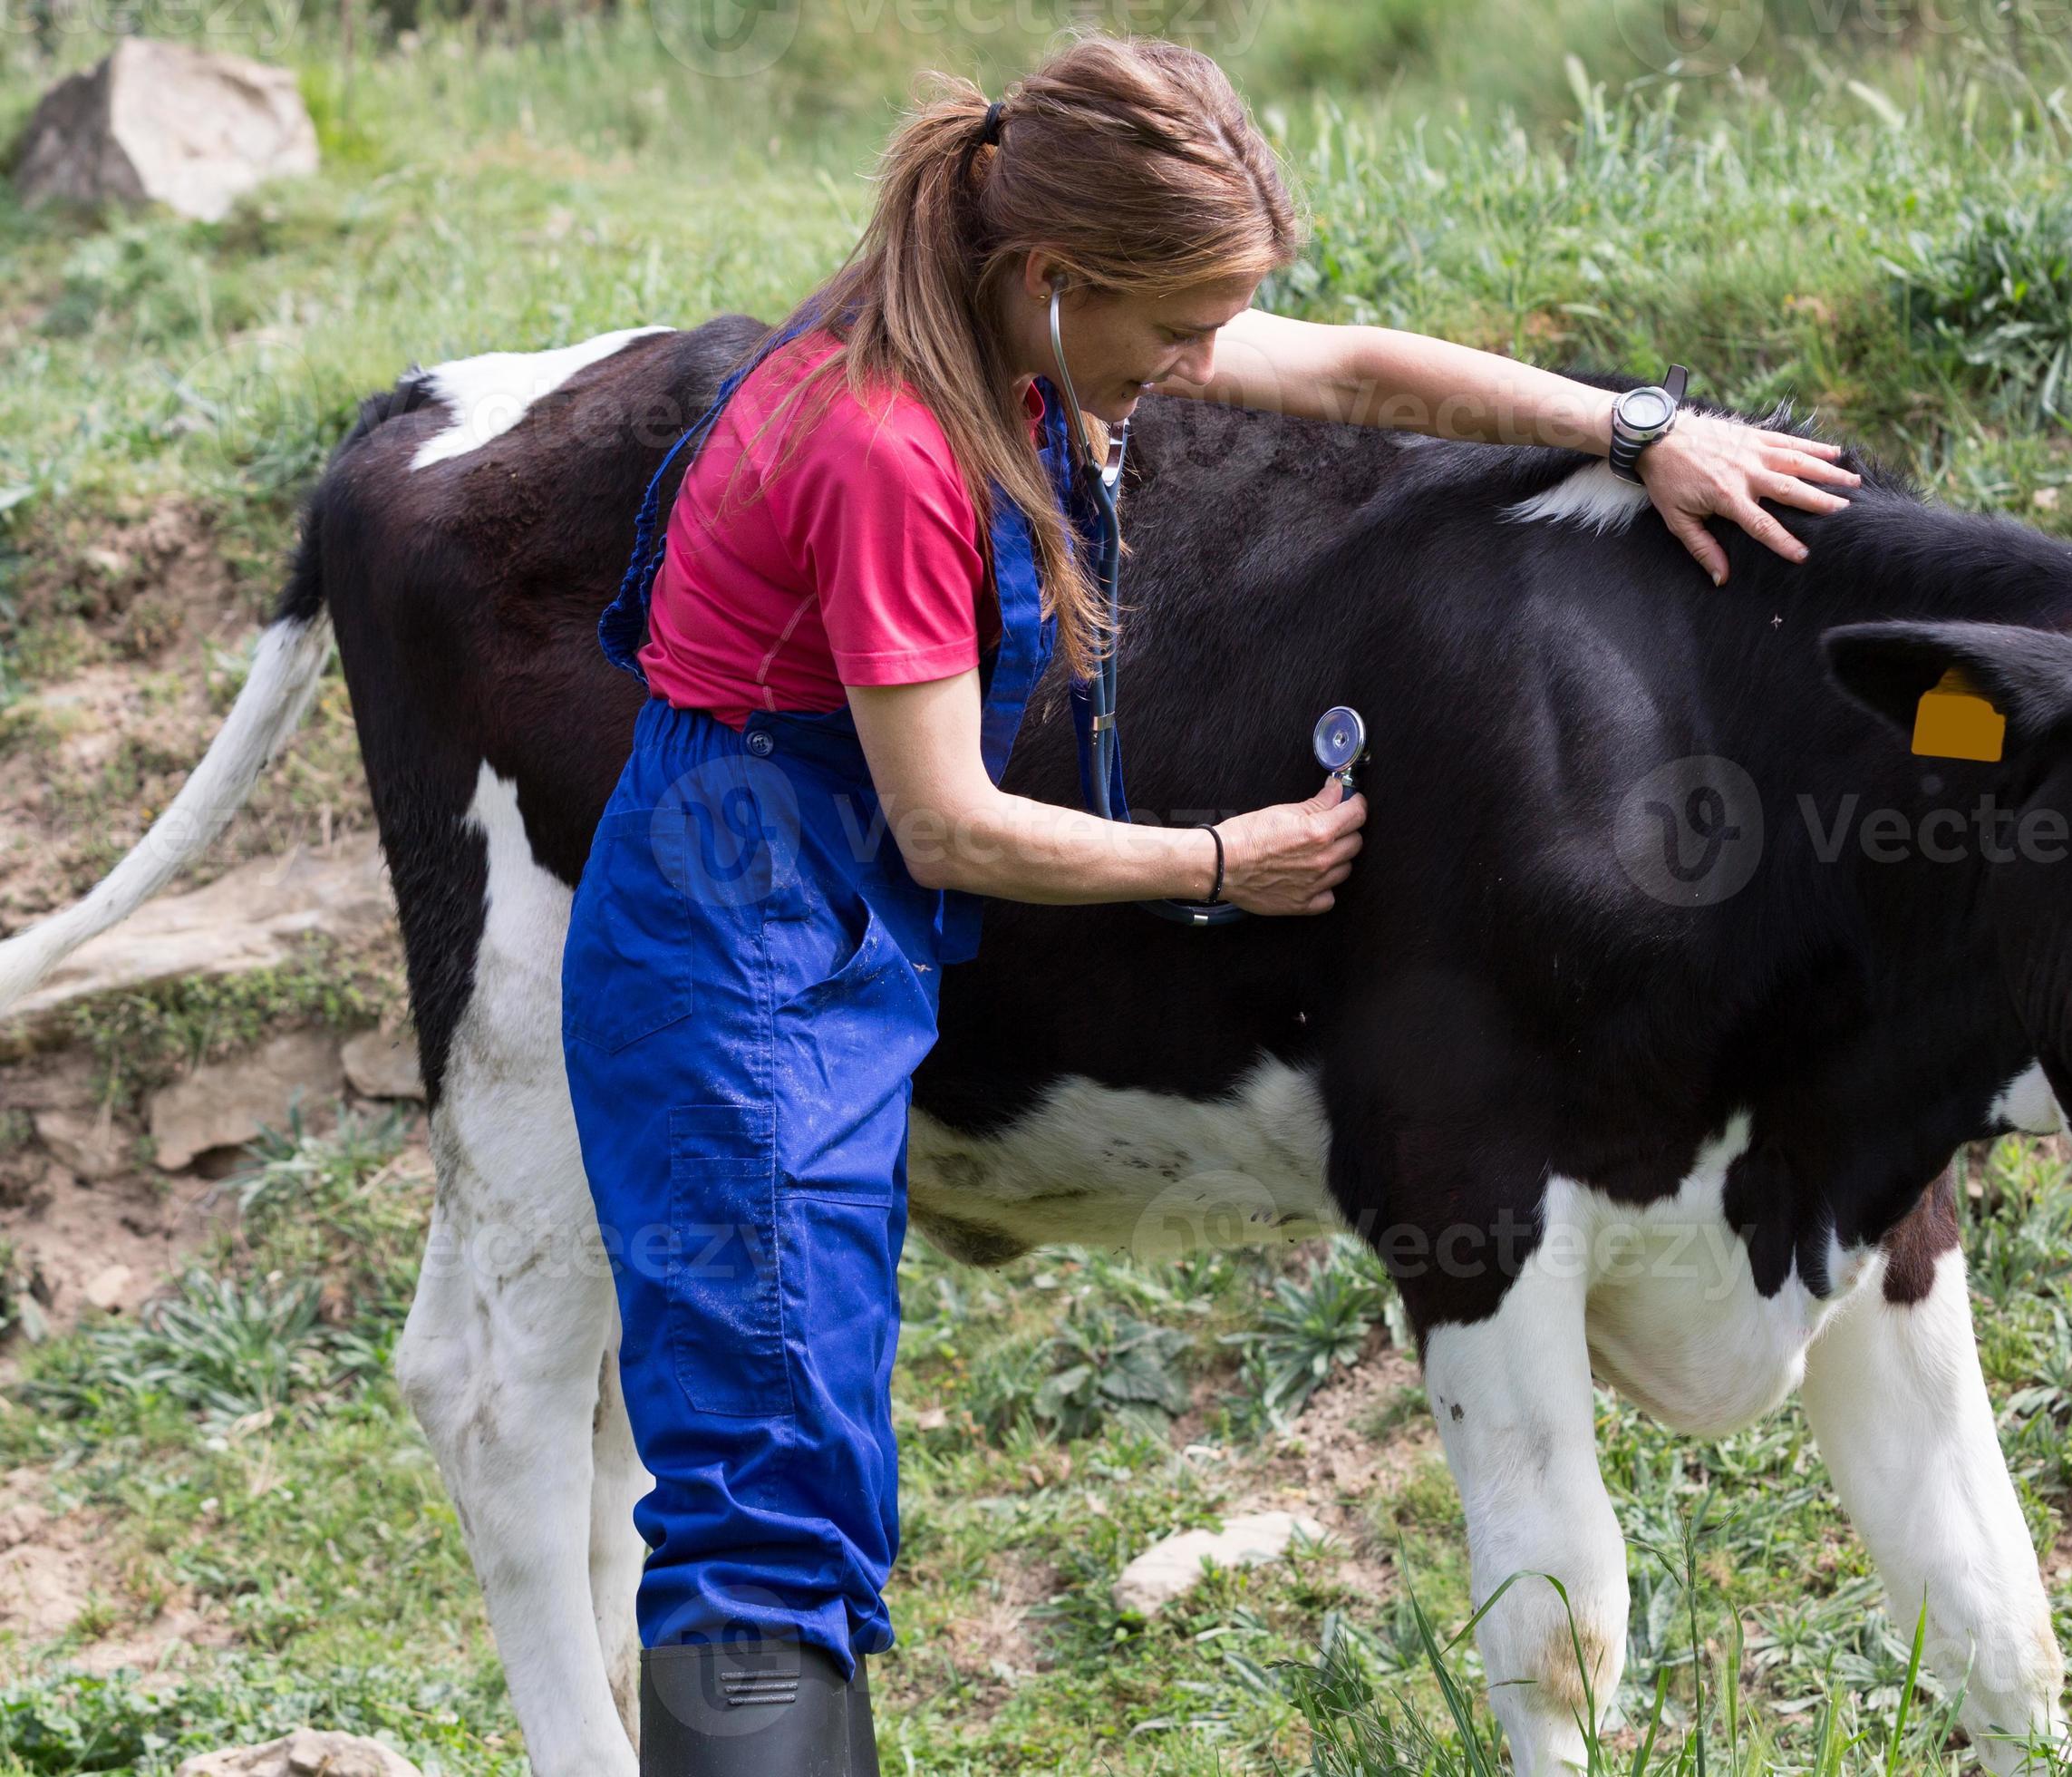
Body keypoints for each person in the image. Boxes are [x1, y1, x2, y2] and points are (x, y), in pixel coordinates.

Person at [560, 33, 1857, 1774]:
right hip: (743, 958)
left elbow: (1332, 368)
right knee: (763, 1516)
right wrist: (1223, 863)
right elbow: (945, 823)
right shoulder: (883, 446)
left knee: (808, 1484)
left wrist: (1635, 428)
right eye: (1173, 330)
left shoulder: (985, 328)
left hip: (819, 938)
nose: (1196, 366)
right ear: (1054, 276)